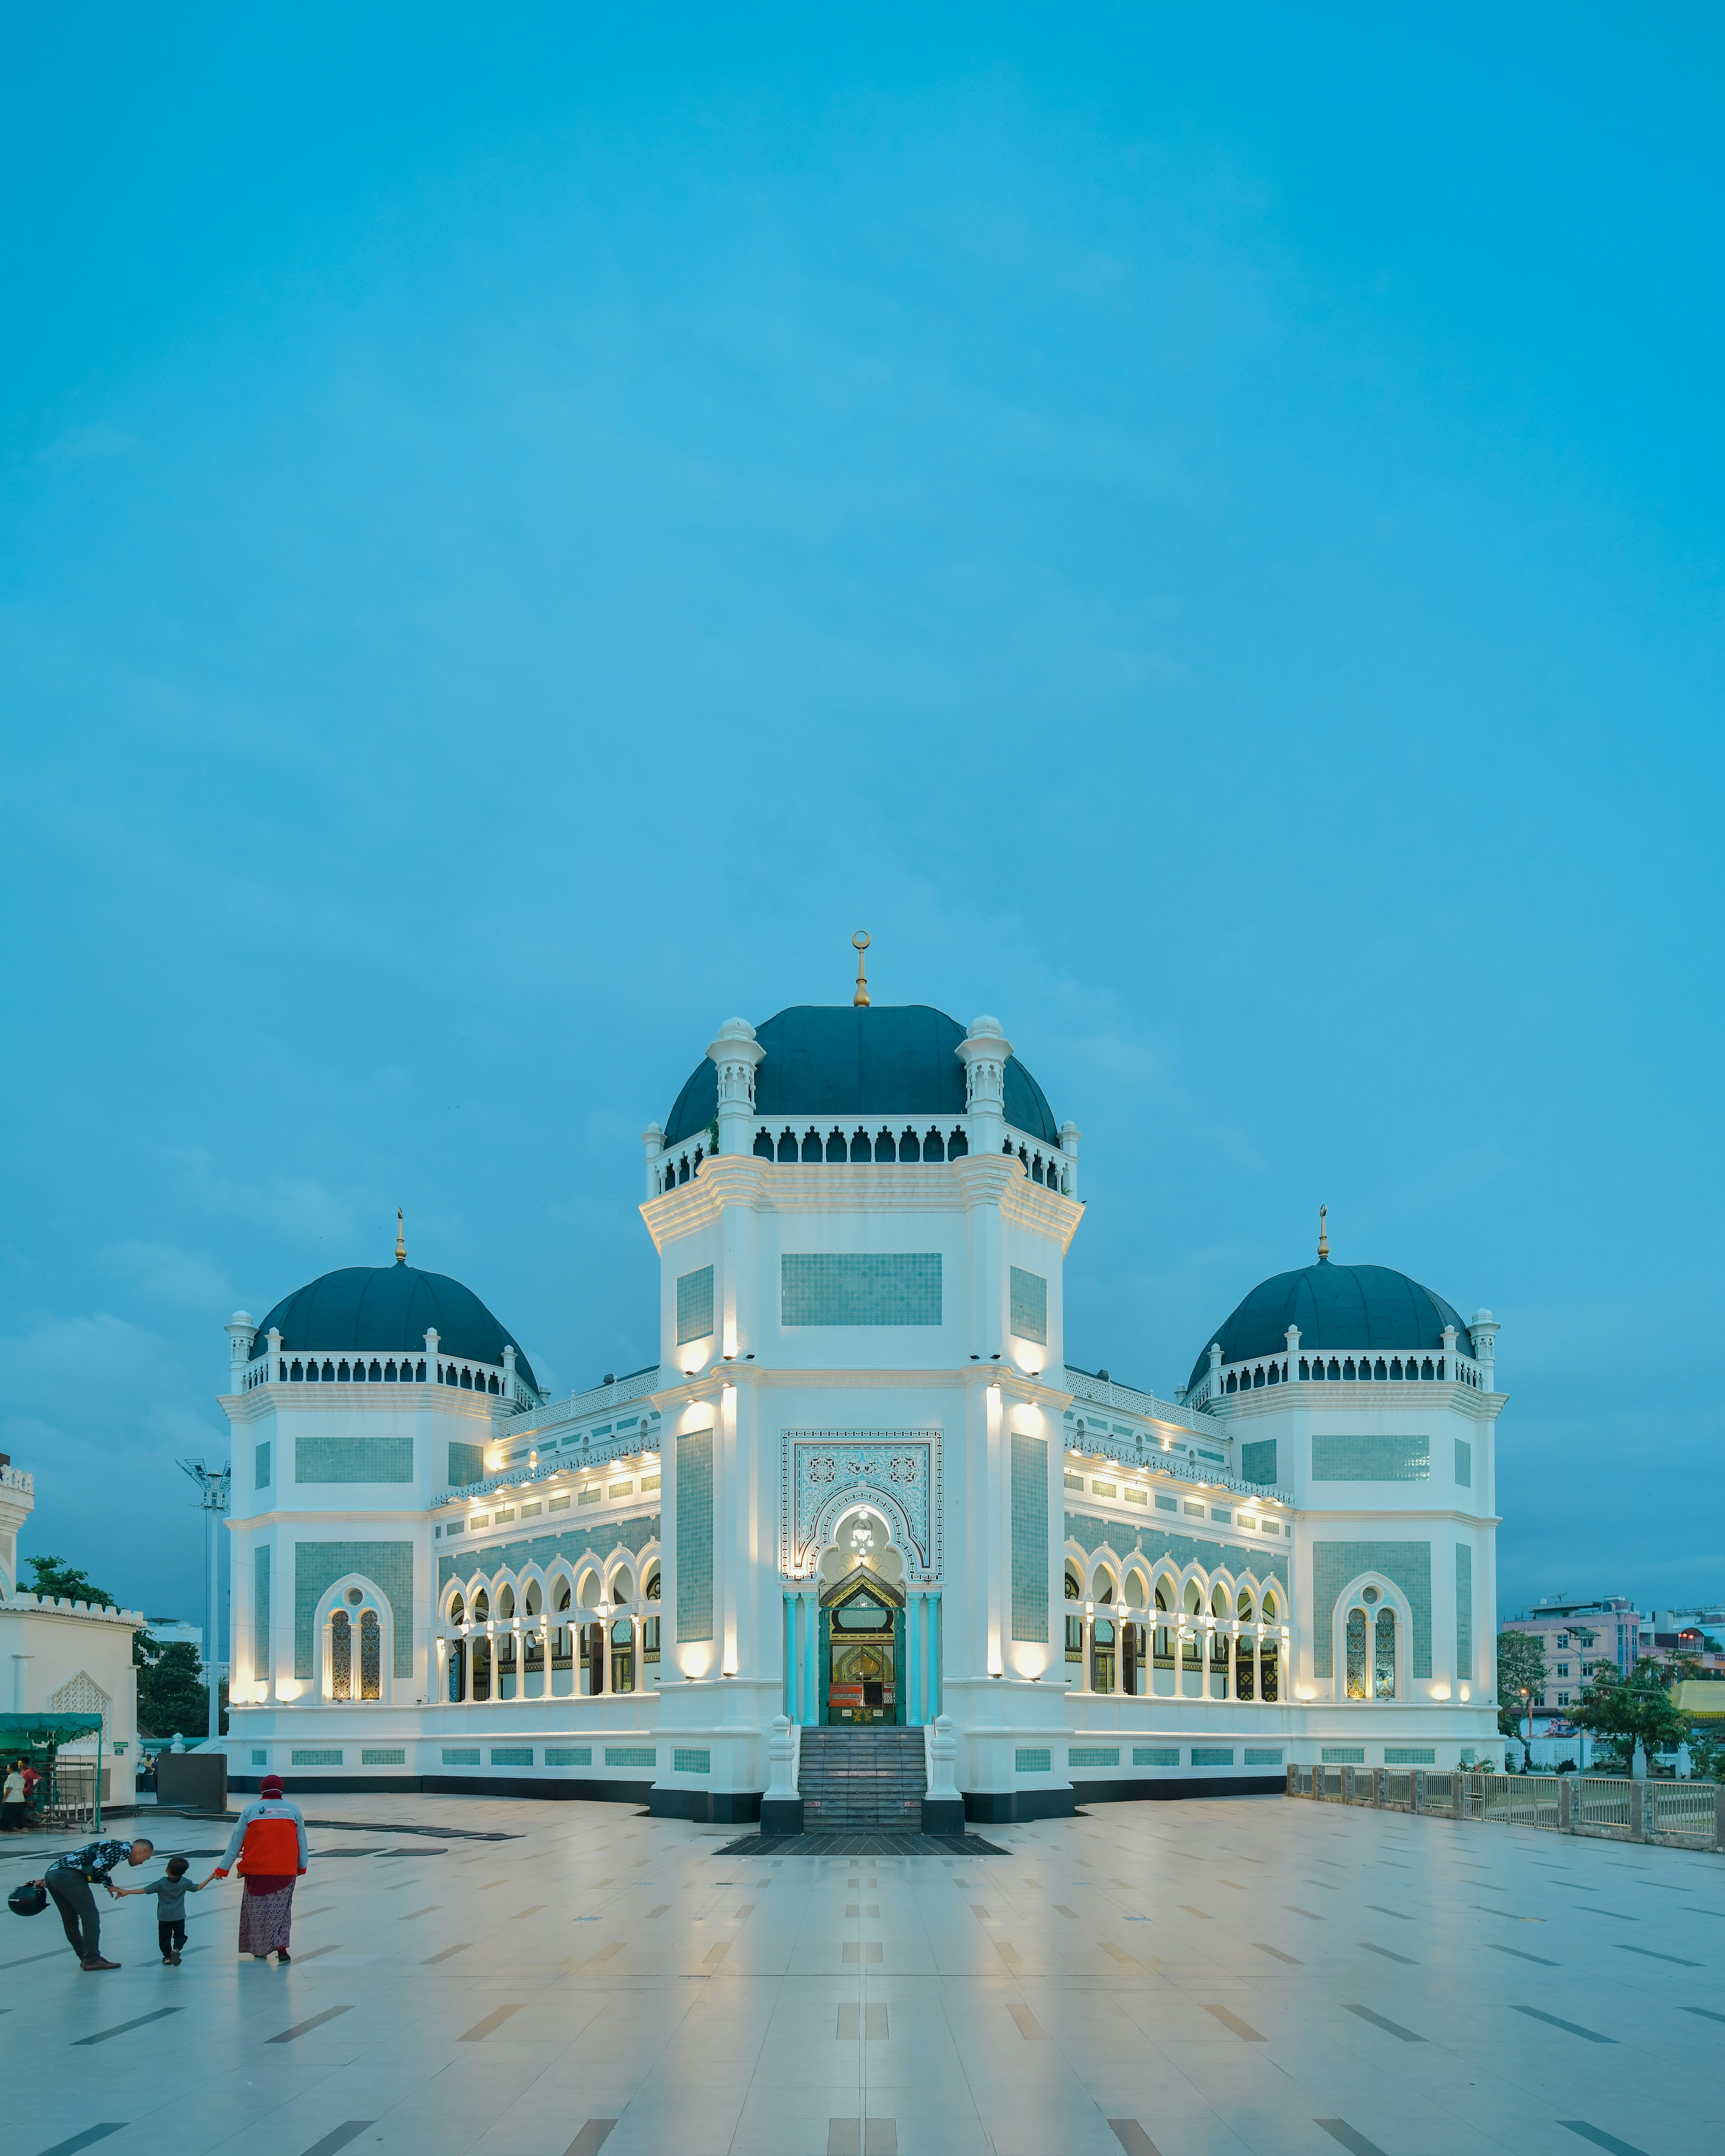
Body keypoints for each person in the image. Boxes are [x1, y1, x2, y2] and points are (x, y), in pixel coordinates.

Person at [211, 1773, 307, 1964]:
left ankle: (261, 1948)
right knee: (282, 1911)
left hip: (256, 1871)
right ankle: (281, 1947)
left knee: (257, 1912)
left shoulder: (251, 1810)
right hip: (285, 1870)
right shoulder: (293, 1810)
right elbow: (302, 1841)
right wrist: (302, 1865)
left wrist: (223, 1868)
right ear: (281, 1789)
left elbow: (236, 1841)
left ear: (262, 1789)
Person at [28, 1835, 155, 1969]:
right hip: (70, 1877)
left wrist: (53, 1878)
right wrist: (109, 1884)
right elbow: (98, 1865)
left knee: (70, 1920)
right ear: (143, 1851)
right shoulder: (124, 1850)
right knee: (91, 1917)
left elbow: (81, 1858)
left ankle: (85, 1957)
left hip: (53, 1874)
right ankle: (92, 1959)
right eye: (146, 1858)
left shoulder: (112, 1844)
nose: (143, 1862)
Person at [111, 1852, 203, 1964]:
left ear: (167, 1869)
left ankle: (167, 1957)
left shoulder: (161, 1883)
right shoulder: (185, 1882)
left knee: (165, 1938)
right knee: (180, 1935)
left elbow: (145, 1890)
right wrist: (211, 1877)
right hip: (179, 1916)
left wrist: (128, 1892)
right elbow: (197, 1888)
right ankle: (176, 1950)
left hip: (164, 1916)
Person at [1, 1760, 26, 1832]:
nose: (7, 1769)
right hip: (20, 1799)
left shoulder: (12, 1777)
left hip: (11, 1799)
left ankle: (8, 1828)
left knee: (8, 1815)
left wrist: (5, 1798)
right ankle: (24, 1828)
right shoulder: (21, 1777)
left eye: (8, 1768)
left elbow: (9, 1788)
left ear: (11, 1769)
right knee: (20, 1815)